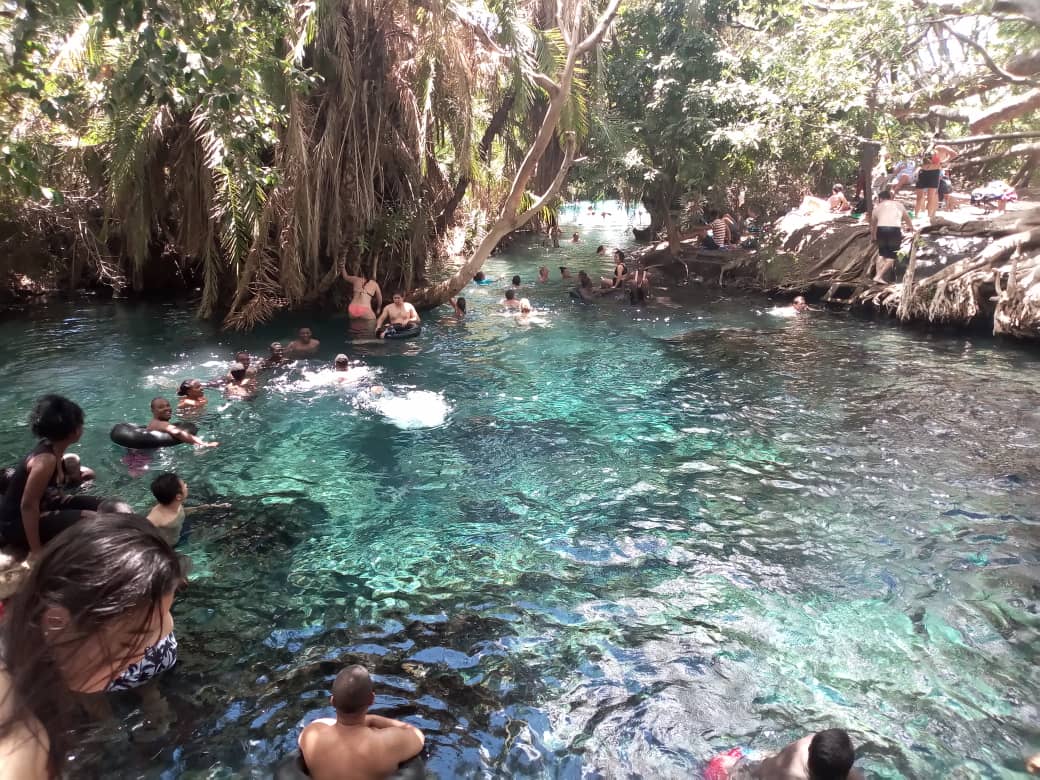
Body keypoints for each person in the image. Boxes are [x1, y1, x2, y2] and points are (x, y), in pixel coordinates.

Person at [0, 514, 185, 778]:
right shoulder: (19, 742)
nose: (145, 653)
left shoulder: (36, 655)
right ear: (57, 623)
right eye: (127, 642)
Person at [0, 396, 109, 554]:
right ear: (73, 431)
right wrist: (36, 551)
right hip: (16, 525)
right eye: (80, 423)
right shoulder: (45, 460)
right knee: (92, 519)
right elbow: (28, 506)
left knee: (107, 505)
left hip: (48, 504)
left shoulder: (52, 448)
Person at [298, 665, 425, 780]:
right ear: (372, 700)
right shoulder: (387, 742)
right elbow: (418, 736)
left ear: (332, 701)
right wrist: (373, 719)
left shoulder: (311, 734)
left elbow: (321, 723)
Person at [870, 188, 914, 283]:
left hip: (881, 230)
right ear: (890, 197)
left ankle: (878, 276)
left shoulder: (876, 208)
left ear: (880, 199)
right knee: (892, 256)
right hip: (894, 230)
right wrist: (911, 228)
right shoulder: (899, 205)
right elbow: (907, 218)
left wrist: (873, 237)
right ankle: (878, 276)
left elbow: (873, 226)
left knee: (881, 254)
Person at [147, 398, 219, 447]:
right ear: (153, 410)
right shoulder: (161, 423)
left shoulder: (153, 423)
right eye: (161, 407)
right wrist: (204, 444)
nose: (166, 408)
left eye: (168, 405)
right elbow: (177, 432)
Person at [915, 143, 958, 220]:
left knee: (931, 196)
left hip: (934, 172)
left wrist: (943, 162)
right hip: (923, 172)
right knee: (920, 196)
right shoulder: (925, 148)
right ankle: (917, 216)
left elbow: (954, 154)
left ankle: (930, 216)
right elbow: (921, 162)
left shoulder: (940, 147)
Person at [146, 472, 189, 547]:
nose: (186, 485)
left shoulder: (176, 504)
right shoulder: (157, 516)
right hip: (168, 546)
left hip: (179, 532)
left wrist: (200, 509)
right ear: (178, 496)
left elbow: (180, 512)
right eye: (184, 485)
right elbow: (142, 529)